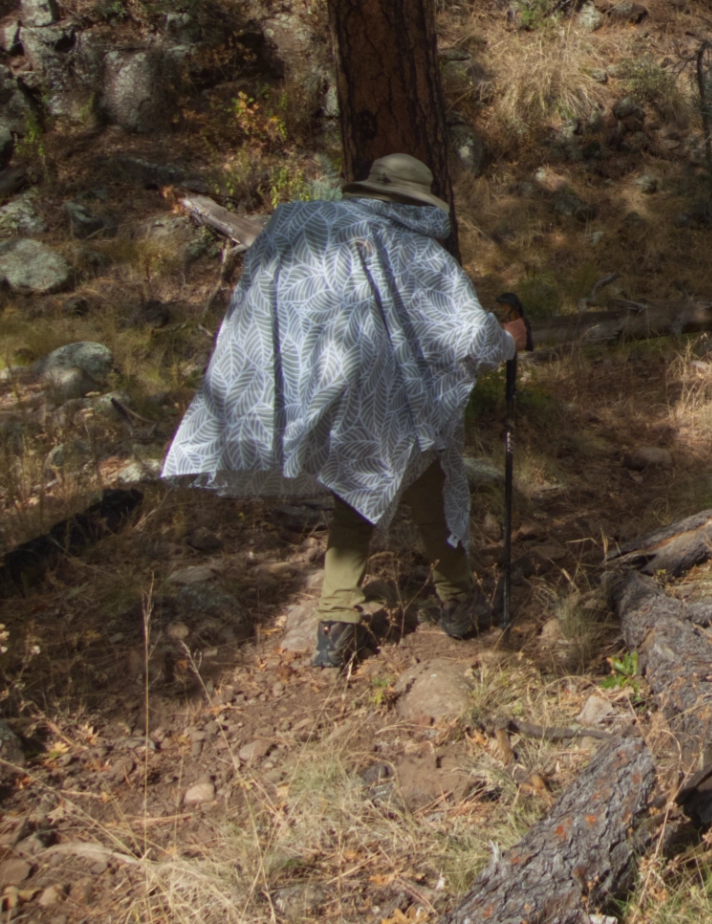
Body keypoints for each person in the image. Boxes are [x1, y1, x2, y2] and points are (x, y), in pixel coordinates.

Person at [163, 153, 527, 668]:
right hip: (402, 396)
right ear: (417, 201)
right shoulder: (416, 251)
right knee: (434, 480)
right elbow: (471, 335)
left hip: (331, 382)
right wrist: (509, 339)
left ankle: (337, 621)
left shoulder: (311, 229)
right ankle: (460, 604)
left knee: (360, 484)